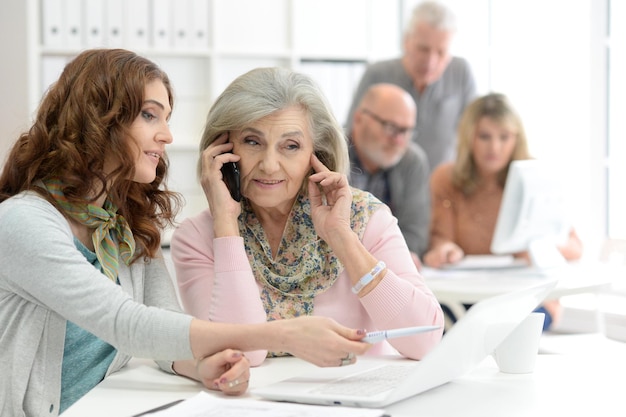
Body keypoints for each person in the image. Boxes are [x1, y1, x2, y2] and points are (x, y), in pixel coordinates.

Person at [0, 49, 373, 417]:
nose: (166, 135)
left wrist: (199, 367)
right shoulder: (23, 223)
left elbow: (162, 326)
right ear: (99, 119)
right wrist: (285, 335)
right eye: (150, 115)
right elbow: (128, 324)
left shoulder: (120, 225)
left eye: (166, 118)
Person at [171, 67, 444, 366]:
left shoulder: (366, 218)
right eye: (252, 141)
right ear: (221, 150)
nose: (270, 165)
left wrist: (342, 237)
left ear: (317, 154)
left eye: (291, 146)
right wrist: (225, 224)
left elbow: (425, 342)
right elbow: (239, 355)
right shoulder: (197, 237)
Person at [422, 93, 583, 330]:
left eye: (504, 137)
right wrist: (445, 251)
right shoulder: (446, 179)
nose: (494, 147)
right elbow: (441, 239)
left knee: (505, 334)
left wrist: (538, 248)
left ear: (516, 139)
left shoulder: (533, 176)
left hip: (528, 299)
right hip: (466, 298)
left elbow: (574, 246)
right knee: (442, 327)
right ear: (469, 138)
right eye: (484, 136)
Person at [345, 0, 477, 172]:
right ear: (406, 41)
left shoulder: (461, 72)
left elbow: (473, 133)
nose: (430, 62)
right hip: (388, 187)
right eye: (423, 49)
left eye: (441, 52)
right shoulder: (378, 73)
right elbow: (353, 133)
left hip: (441, 182)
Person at [348, 83, 430, 269]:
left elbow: (415, 234)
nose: (399, 140)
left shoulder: (412, 161)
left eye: (407, 131)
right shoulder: (330, 155)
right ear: (359, 119)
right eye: (391, 127)